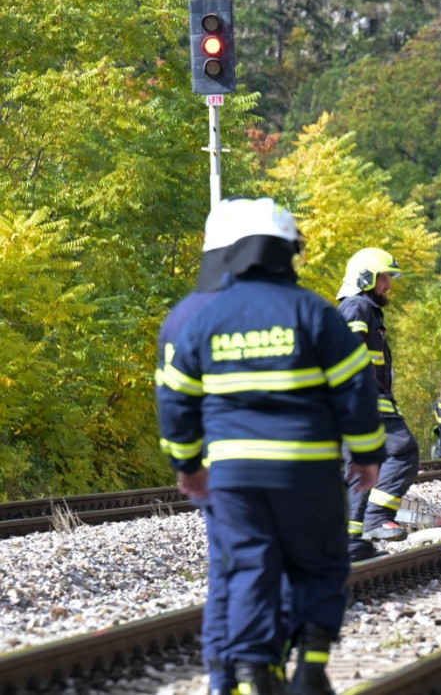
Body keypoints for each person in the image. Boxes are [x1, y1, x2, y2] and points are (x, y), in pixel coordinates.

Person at [157, 198, 383, 694]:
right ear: (289, 253)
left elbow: (176, 396)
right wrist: (367, 456)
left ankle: (252, 671)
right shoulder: (314, 313)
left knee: (248, 568)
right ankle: (311, 665)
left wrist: (187, 462)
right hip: (307, 469)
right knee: (322, 561)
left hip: (234, 477)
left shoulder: (206, 317)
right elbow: (357, 387)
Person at [155, 212, 237, 695]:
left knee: (229, 571)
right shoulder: (271, 308)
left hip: (216, 467)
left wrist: (186, 465)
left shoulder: (182, 315)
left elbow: (172, 399)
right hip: (274, 468)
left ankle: (225, 678)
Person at [336, 248, 420, 561]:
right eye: (384, 277)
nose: (389, 284)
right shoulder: (358, 307)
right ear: (366, 277)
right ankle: (375, 517)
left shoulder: (360, 308)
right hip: (366, 403)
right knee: (403, 450)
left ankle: (354, 543)